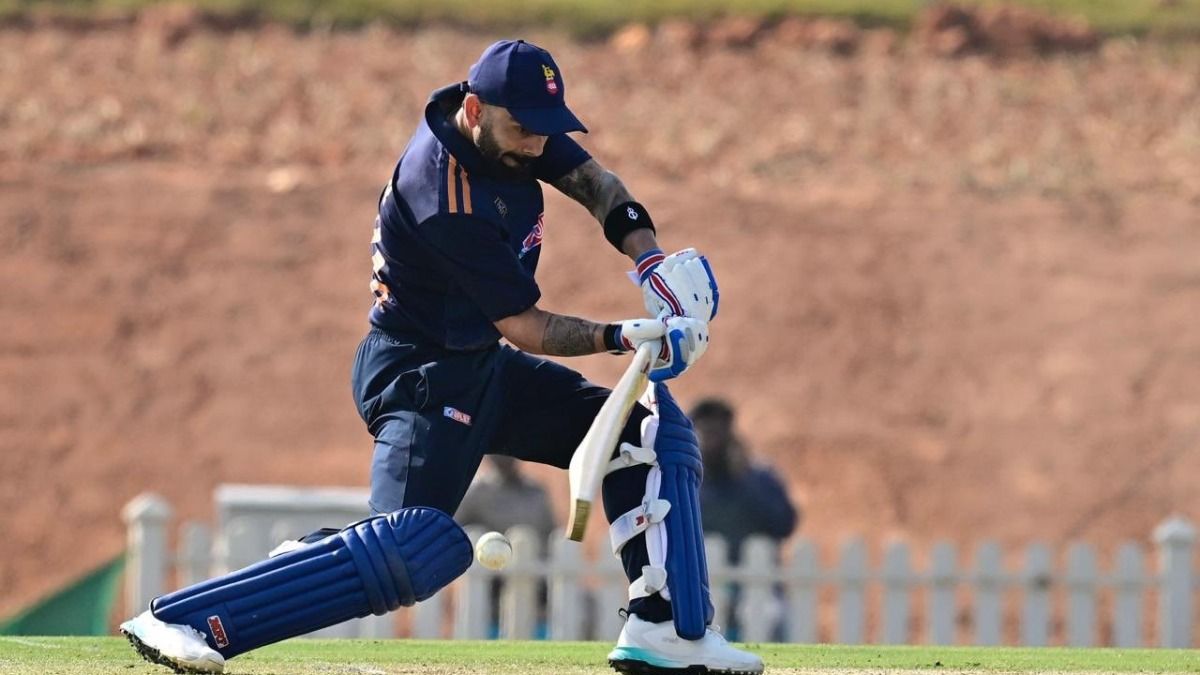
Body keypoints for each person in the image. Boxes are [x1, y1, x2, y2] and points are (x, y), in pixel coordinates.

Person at [119, 39, 762, 675]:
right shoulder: (443, 192)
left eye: (547, 128)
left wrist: (648, 259)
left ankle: (668, 632)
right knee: (413, 546)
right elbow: (524, 326)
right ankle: (183, 618)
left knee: (648, 434)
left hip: (482, 367)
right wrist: (628, 335)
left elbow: (595, 182)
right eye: (525, 129)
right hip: (419, 375)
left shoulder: (514, 132)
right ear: (476, 111)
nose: (539, 144)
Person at [691, 397, 798, 641]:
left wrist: (744, 477)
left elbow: (784, 523)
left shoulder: (758, 477)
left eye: (717, 431)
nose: (711, 440)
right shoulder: (688, 483)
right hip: (702, 590)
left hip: (758, 590)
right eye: (705, 432)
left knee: (772, 622)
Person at [456, 456, 557, 541]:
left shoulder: (535, 493)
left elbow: (549, 535)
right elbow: (457, 531)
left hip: (531, 561)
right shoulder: (477, 494)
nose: (504, 458)